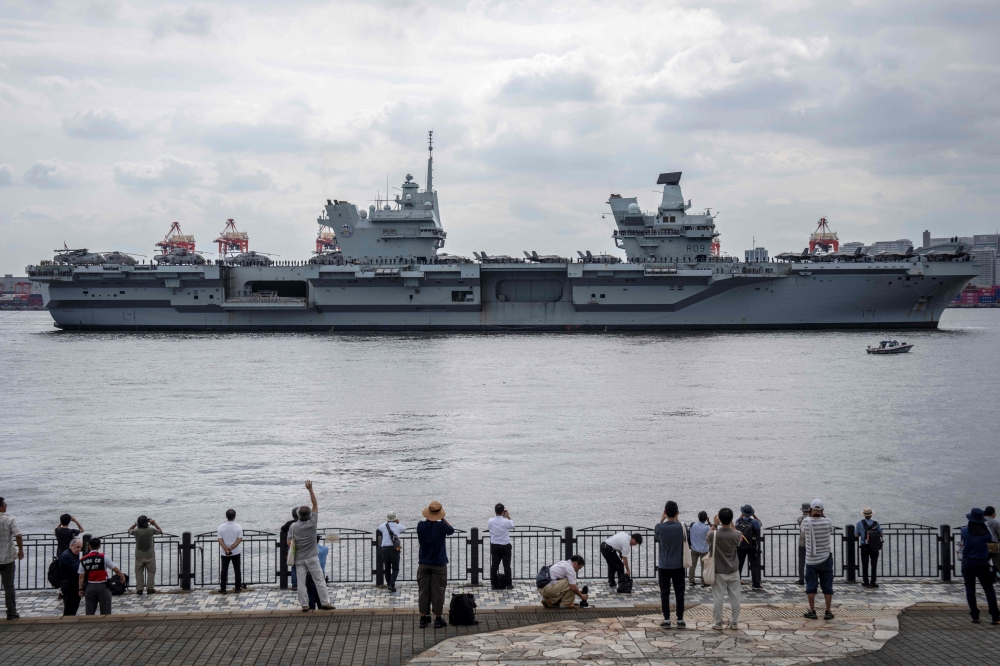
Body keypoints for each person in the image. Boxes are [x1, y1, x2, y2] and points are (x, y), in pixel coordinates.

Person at [288, 480, 335, 611]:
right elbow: (315, 504)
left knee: (301, 583)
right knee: (319, 580)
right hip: (312, 558)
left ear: (297, 516)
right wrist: (310, 489)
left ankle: (304, 605)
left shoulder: (293, 526)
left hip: (299, 558)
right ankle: (325, 602)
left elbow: (288, 542)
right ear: (309, 515)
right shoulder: (312, 524)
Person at [416, 500, 454, 628]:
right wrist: (443, 519)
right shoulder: (442, 526)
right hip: (439, 563)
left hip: (423, 563)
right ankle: (438, 619)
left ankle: (423, 618)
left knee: (423, 591)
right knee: (438, 592)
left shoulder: (420, 526)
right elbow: (451, 530)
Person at [704, 508, 742, 629]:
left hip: (718, 570)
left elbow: (707, 538)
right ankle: (734, 621)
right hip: (733, 570)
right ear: (731, 519)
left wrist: (714, 524)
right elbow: (737, 540)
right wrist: (732, 524)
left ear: (719, 519)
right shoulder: (737, 534)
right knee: (735, 597)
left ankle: (718, 622)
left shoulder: (714, 535)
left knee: (718, 597)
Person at [960, 508, 999, 624]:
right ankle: (995, 617)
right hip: (982, 562)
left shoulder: (964, 531)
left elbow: (963, 542)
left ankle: (975, 616)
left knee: (970, 589)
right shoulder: (986, 533)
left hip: (967, 563)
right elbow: (991, 539)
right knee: (989, 590)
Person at [801, 499, 835, 620]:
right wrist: (822, 515)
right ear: (822, 510)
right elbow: (831, 530)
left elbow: (802, 532)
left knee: (811, 586)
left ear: (810, 509)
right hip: (826, 558)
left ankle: (812, 611)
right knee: (827, 586)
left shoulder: (806, 522)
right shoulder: (827, 521)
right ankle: (828, 611)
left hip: (811, 559)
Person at [655, 500, 686, 628]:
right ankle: (680, 619)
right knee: (679, 592)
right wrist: (678, 520)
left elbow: (657, 538)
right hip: (679, 565)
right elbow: (686, 538)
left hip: (664, 565)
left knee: (664, 592)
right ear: (677, 513)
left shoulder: (659, 527)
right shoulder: (682, 527)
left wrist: (661, 520)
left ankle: (667, 619)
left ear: (665, 512)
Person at [78, 537, 125, 616]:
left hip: (90, 587)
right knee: (106, 612)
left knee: (89, 612)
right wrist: (122, 576)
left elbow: (81, 576)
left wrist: (80, 589)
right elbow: (115, 569)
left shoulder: (83, 559)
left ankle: (90, 627)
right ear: (99, 546)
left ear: (89, 546)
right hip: (103, 587)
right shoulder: (104, 557)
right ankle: (105, 627)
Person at [0, 497, 24, 620]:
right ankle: (11, 612)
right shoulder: (9, 519)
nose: (6, 506)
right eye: (4, 504)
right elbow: (18, 535)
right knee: (9, 586)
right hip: (7, 558)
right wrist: (20, 550)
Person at [128, 515, 163, 595]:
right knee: (151, 572)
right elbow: (160, 531)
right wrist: (154, 523)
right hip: (149, 554)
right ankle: (150, 588)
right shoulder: (151, 530)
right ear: (147, 522)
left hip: (139, 555)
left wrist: (135, 524)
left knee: (139, 572)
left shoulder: (135, 531)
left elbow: (129, 530)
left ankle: (139, 589)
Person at [735, 505, 763, 590]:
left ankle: (736, 583)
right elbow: (760, 524)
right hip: (752, 546)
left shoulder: (738, 521)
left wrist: (742, 514)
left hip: (741, 546)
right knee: (754, 565)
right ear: (751, 513)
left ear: (743, 512)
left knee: (739, 565)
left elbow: (736, 523)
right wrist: (754, 515)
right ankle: (756, 584)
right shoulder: (754, 522)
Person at [488, 503, 515, 590]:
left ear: (495, 511)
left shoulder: (490, 521)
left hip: (495, 545)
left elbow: (489, 528)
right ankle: (508, 584)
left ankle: (493, 584)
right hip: (505, 546)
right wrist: (508, 516)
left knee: (494, 565)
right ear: (503, 511)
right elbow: (512, 526)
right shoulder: (506, 521)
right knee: (506, 566)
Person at [856, 507, 883, 589]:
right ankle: (873, 582)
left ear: (864, 515)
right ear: (871, 515)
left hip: (864, 546)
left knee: (865, 564)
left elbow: (856, 535)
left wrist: (863, 535)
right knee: (874, 564)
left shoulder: (859, 523)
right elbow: (881, 534)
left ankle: (866, 582)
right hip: (874, 546)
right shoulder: (876, 523)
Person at [218, 508, 244, 594]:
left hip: (224, 552)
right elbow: (239, 539)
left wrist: (226, 548)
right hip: (236, 552)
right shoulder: (238, 527)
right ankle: (237, 588)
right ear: (235, 517)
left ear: (226, 516)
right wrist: (232, 548)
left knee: (224, 570)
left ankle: (223, 588)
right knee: (237, 570)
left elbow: (220, 539)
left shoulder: (221, 527)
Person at [378, 511, 406, 593]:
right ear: (395, 518)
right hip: (394, 549)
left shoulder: (383, 526)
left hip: (385, 549)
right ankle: (391, 584)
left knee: (387, 568)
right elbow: (404, 528)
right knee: (395, 568)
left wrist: (386, 522)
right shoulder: (398, 526)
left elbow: (379, 527)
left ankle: (388, 584)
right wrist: (398, 522)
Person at [304, 535, 331, 609]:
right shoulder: (325, 549)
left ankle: (312, 611)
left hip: (310, 574)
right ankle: (321, 608)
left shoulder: (308, 551)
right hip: (321, 574)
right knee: (320, 593)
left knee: (311, 594)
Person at [59, 538, 83, 616]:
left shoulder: (73, 554)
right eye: (77, 547)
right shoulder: (67, 556)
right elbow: (77, 569)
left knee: (74, 606)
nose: (79, 549)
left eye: (80, 548)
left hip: (73, 584)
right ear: (71, 546)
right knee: (70, 607)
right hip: (69, 585)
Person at [688, 511, 711, 587]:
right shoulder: (707, 527)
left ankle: (691, 580)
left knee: (692, 565)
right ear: (705, 518)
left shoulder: (693, 525)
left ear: (698, 517)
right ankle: (704, 581)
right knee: (703, 566)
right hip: (704, 549)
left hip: (694, 548)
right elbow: (713, 532)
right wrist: (709, 521)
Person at [280, 508, 299, 590]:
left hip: (292, 547)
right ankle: (304, 584)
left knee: (294, 567)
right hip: (303, 546)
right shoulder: (303, 523)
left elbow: (282, 529)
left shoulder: (289, 523)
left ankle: (294, 585)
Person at [796, 503, 810, 585]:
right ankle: (813, 578)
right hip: (811, 544)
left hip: (802, 543)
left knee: (801, 562)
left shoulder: (800, 519)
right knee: (812, 562)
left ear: (802, 510)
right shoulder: (812, 519)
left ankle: (801, 579)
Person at [984, 506, 1000, 574]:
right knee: (997, 563)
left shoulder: (981, 522)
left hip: (983, 545)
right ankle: (997, 577)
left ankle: (985, 576)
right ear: (993, 514)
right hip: (994, 545)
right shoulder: (996, 523)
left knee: (984, 562)